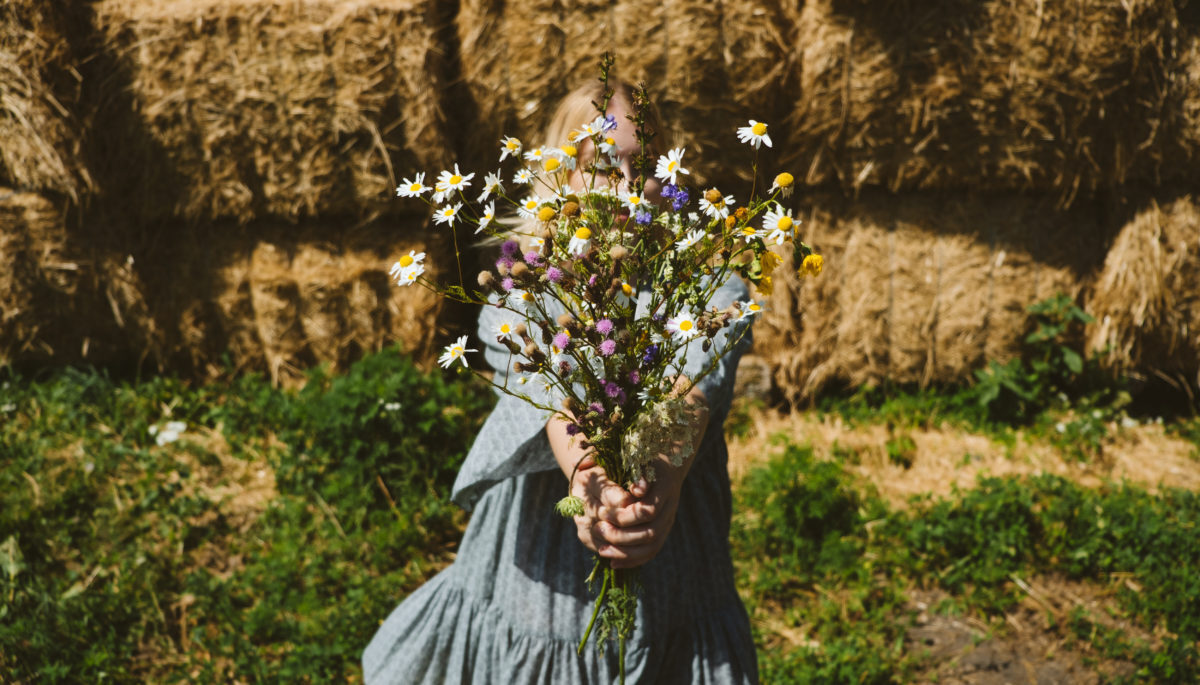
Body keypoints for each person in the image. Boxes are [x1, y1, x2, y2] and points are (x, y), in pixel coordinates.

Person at [363, 78, 759, 684]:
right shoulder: (526, 287)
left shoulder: (709, 286)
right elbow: (554, 399)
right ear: (561, 179)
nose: (627, 186)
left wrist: (659, 482)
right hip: (541, 583)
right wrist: (592, 480)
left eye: (646, 165)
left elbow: (695, 383)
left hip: (677, 565)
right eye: (604, 166)